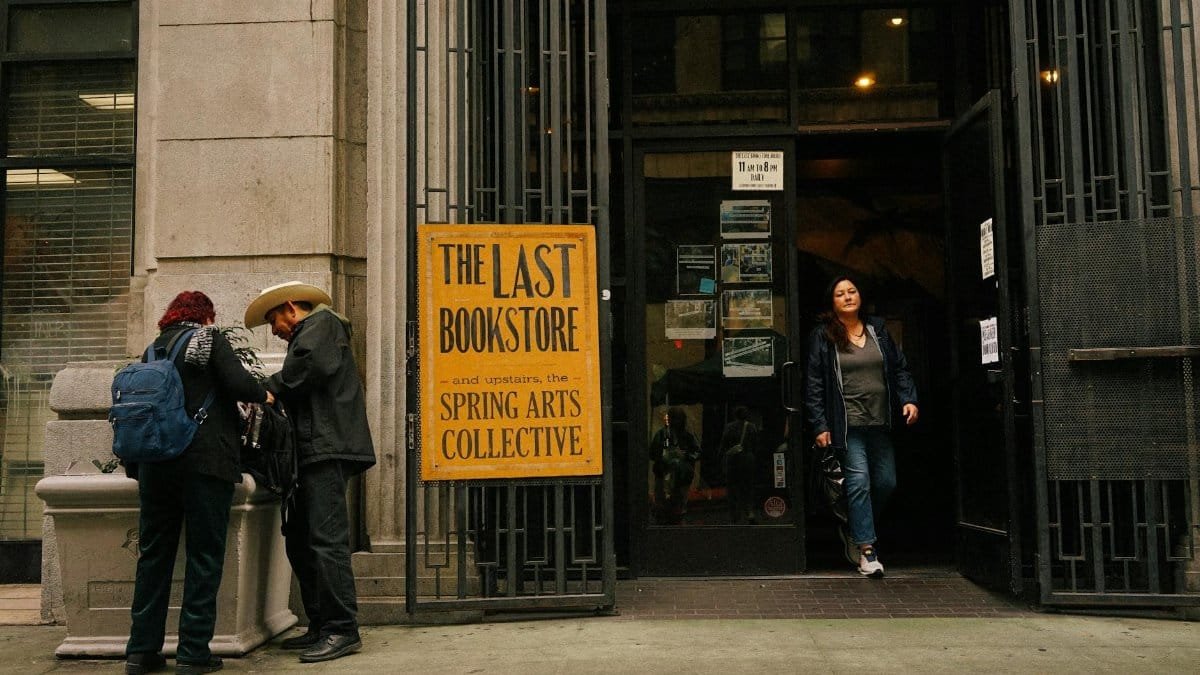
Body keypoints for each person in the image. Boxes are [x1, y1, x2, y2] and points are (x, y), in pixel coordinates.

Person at [125, 291, 273, 675]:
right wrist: (266, 394)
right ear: (206, 316)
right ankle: (192, 653)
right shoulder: (209, 339)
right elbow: (240, 385)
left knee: (154, 557)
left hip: (156, 466)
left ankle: (141, 652)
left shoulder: (152, 351)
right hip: (204, 464)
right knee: (204, 558)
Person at [244, 281, 375, 664]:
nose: (274, 331)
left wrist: (266, 388)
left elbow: (307, 370)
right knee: (300, 539)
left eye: (273, 321)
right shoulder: (311, 332)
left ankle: (342, 629)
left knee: (325, 541)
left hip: (326, 448)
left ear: (290, 308)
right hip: (314, 449)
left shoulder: (322, 324)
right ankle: (321, 623)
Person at [804, 276, 918, 578]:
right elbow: (814, 383)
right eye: (840, 294)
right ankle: (867, 552)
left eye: (851, 291)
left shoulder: (876, 329)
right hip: (847, 425)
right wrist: (819, 424)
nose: (847, 297)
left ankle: (855, 526)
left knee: (886, 483)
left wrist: (909, 399)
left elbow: (899, 367)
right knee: (859, 483)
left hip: (879, 420)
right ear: (832, 302)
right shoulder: (823, 336)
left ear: (860, 296)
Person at [648, 406, 701, 524]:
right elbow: (652, 453)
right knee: (674, 507)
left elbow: (652, 454)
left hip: (674, 475)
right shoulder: (680, 435)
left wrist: (683, 456)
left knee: (670, 507)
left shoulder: (665, 434)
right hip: (672, 475)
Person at [720, 406, 759, 524]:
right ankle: (750, 512)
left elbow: (723, 444)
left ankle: (734, 515)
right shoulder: (752, 427)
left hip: (733, 461)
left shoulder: (729, 427)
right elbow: (756, 444)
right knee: (748, 487)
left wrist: (721, 459)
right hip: (748, 459)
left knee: (732, 488)